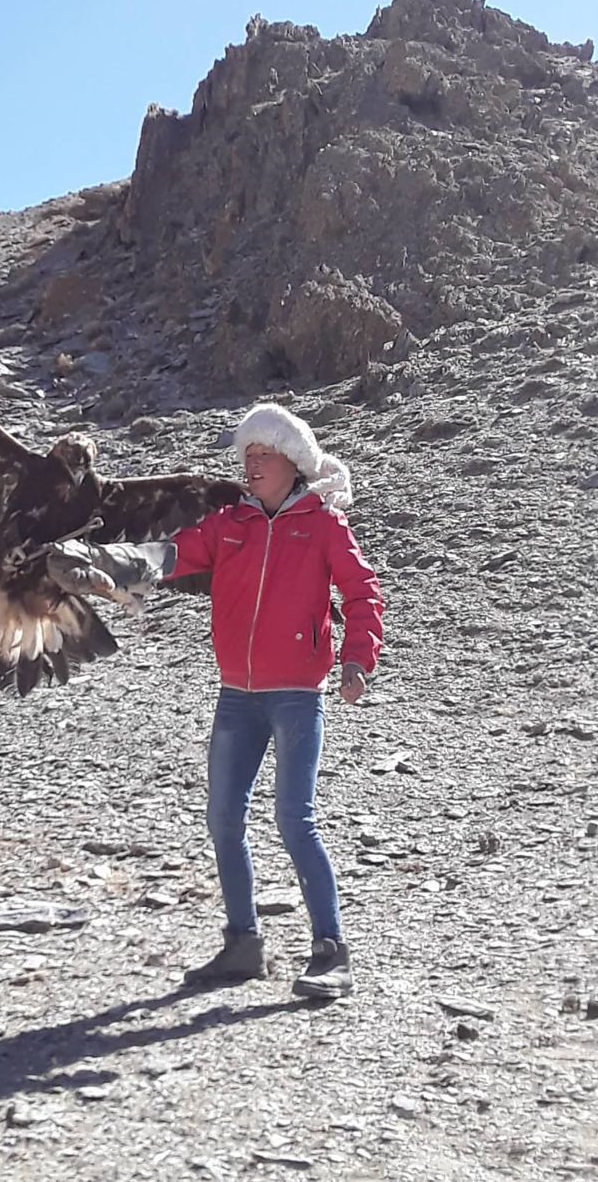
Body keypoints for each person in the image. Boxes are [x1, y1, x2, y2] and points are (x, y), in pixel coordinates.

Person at [52, 402, 384, 999]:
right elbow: (169, 555)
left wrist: (357, 659)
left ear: (294, 463)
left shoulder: (324, 526)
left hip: (295, 698)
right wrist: (101, 560)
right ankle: (242, 945)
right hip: (237, 696)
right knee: (224, 819)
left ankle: (332, 951)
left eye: (263, 455)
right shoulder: (231, 524)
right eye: (247, 456)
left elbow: (363, 595)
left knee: (294, 820)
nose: (251, 465)